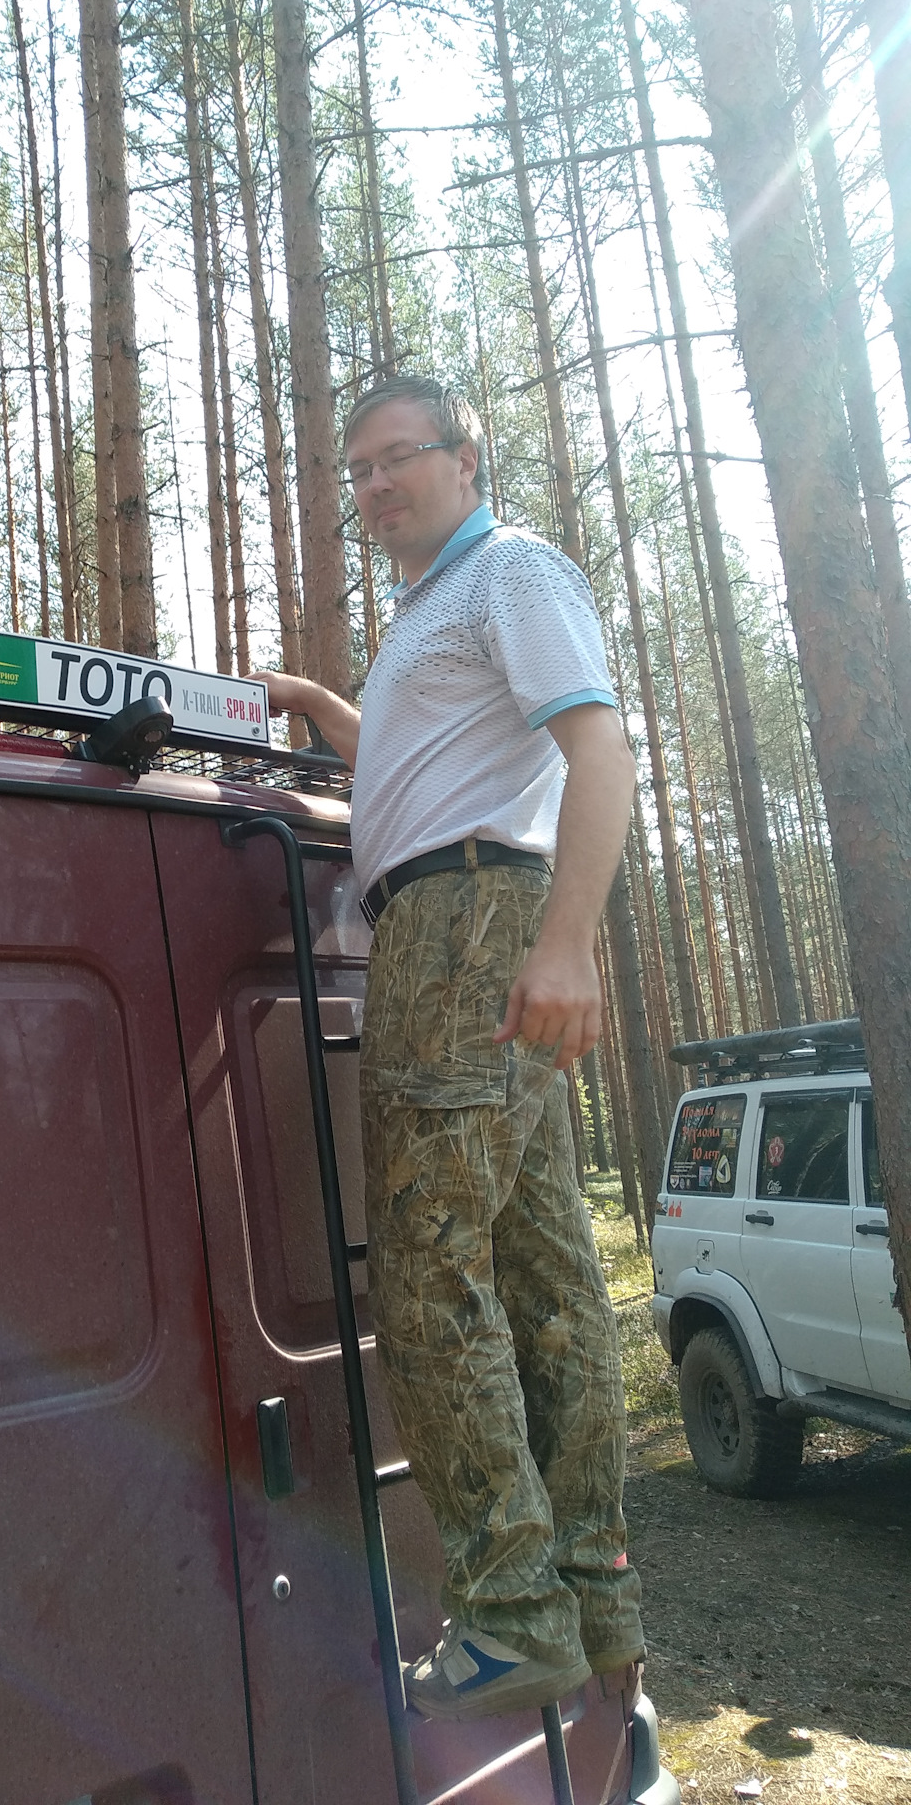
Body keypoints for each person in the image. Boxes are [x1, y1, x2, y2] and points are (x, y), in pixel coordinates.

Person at [252, 376, 644, 1722]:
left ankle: (511, 1609)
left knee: (424, 1269)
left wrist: (567, 944)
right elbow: (421, 774)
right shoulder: (428, 612)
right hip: (467, 906)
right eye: (356, 469)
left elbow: (602, 751)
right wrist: (325, 703)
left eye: (398, 457)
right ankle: (590, 1591)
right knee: (544, 1272)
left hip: (469, 921)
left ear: (467, 458)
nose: (373, 485)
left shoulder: (511, 571)